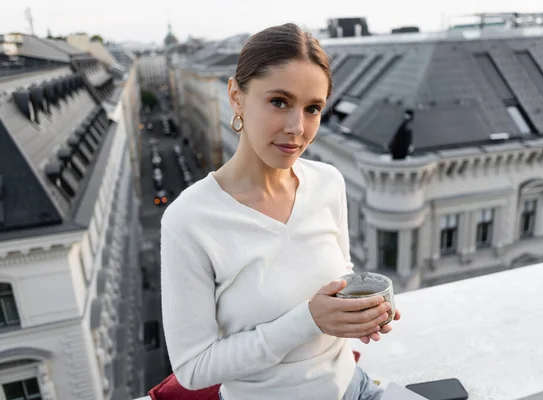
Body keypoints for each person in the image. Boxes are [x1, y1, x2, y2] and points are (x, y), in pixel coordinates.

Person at [160, 23, 401, 400]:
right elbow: (193, 369)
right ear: (236, 97)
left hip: (353, 388)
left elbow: (340, 277)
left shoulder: (328, 183)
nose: (297, 128)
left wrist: (358, 313)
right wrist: (307, 321)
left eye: (313, 109)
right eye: (279, 102)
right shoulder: (189, 220)